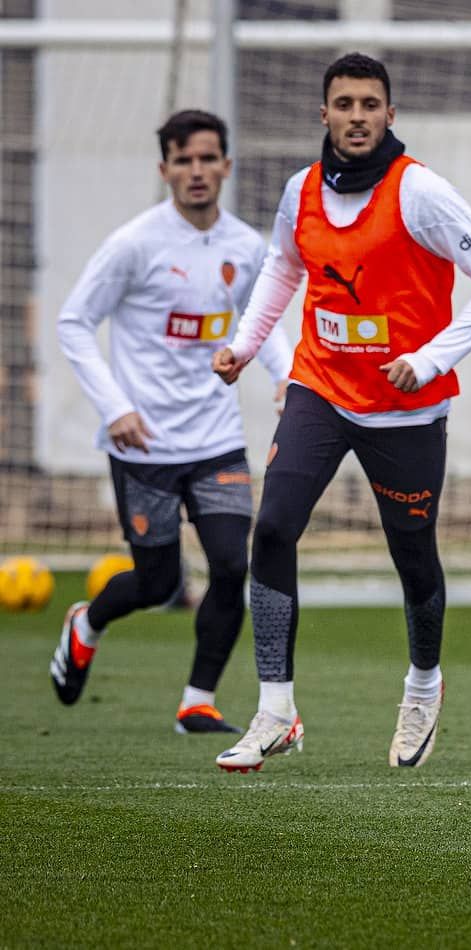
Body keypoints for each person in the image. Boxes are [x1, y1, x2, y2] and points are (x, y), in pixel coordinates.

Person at [209, 53, 471, 772]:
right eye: (343, 104)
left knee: (413, 559)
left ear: (390, 114)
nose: (356, 116)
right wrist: (244, 345)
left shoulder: (423, 193)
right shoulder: (302, 191)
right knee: (275, 529)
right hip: (319, 389)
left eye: (369, 104)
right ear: (323, 114)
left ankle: (422, 686)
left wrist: (432, 359)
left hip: (406, 409)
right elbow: (284, 267)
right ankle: (275, 709)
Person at [50, 109, 292, 734]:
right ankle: (87, 623)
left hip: (216, 440)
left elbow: (260, 318)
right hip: (144, 443)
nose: (197, 172)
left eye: (208, 159)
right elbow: (73, 322)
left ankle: (197, 701)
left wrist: (286, 377)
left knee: (233, 566)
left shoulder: (243, 245)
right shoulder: (134, 244)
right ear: (164, 170)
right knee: (157, 582)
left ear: (227, 167)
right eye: (183, 160)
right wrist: (115, 408)